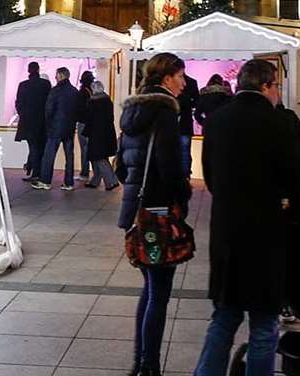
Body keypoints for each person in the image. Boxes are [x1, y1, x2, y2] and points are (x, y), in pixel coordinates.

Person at [195, 58, 300, 376]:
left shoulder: (217, 120)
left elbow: (210, 176)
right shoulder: (279, 122)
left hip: (227, 231)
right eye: (276, 86)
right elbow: (299, 182)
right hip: (266, 233)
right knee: (263, 325)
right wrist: (297, 214)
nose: (278, 92)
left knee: (224, 318)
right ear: (266, 86)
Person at [118, 52, 191, 376]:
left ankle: (140, 362)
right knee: (158, 292)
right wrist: (183, 195)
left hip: (136, 208)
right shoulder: (164, 111)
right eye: (180, 76)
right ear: (166, 78)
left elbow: (121, 166)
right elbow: (170, 164)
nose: (184, 83)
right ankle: (149, 367)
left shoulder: (133, 112)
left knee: (150, 288)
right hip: (159, 207)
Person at [44, 67, 85, 190]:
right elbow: (79, 110)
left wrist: (48, 123)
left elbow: (49, 109)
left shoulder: (55, 90)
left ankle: (45, 180)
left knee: (49, 155)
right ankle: (69, 182)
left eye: (56, 75)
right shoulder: (74, 91)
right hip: (69, 128)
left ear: (61, 76)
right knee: (69, 156)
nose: (55, 77)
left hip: (55, 128)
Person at [14, 61, 51, 189]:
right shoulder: (45, 84)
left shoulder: (23, 85)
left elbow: (18, 103)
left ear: (29, 70)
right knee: (41, 148)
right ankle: (39, 173)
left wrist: (23, 115)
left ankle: (35, 172)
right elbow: (49, 102)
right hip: (43, 122)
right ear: (38, 70)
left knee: (33, 148)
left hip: (28, 122)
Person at [82, 76, 120, 190]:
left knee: (98, 158)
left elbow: (89, 119)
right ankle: (96, 180)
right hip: (107, 132)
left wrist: (85, 133)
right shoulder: (108, 100)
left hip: (96, 134)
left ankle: (111, 181)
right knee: (100, 157)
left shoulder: (93, 102)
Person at [177, 72, 201, 177]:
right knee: (185, 150)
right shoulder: (192, 82)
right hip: (185, 121)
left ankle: (184, 174)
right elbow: (196, 102)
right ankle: (186, 175)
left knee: (183, 150)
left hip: (182, 121)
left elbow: (196, 102)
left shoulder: (191, 82)